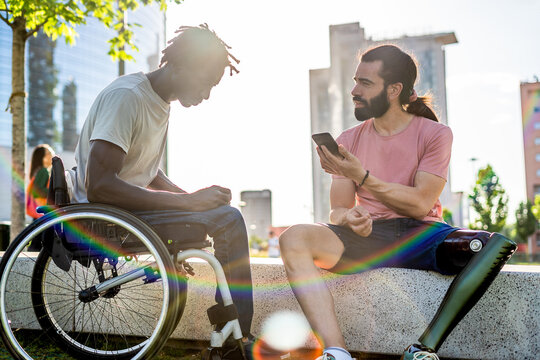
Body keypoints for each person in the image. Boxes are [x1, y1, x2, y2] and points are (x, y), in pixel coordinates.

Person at [278, 45, 516, 360]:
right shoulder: (348, 140)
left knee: (493, 245)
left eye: (365, 83)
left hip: (423, 235)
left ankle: (422, 349)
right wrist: (349, 218)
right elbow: (337, 210)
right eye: (355, 81)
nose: (354, 91)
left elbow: (420, 204)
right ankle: (336, 352)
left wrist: (361, 176)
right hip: (367, 238)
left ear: (394, 90)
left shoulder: (436, 134)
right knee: (293, 237)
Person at [66, 24, 253, 353]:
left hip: (128, 209)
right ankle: (234, 342)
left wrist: (194, 199)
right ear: (179, 66)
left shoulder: (159, 100)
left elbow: (148, 172)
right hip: (108, 214)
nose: (207, 95)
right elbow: (99, 185)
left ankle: (231, 334)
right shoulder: (128, 97)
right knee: (229, 220)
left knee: (221, 213)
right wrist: (190, 204)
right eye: (205, 83)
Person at [26, 144, 55, 250]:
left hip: (37, 211)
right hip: (41, 210)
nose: (51, 155)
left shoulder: (40, 171)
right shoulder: (43, 171)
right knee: (39, 237)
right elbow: (37, 191)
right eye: (48, 154)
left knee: (36, 235)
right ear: (41, 158)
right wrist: (52, 191)